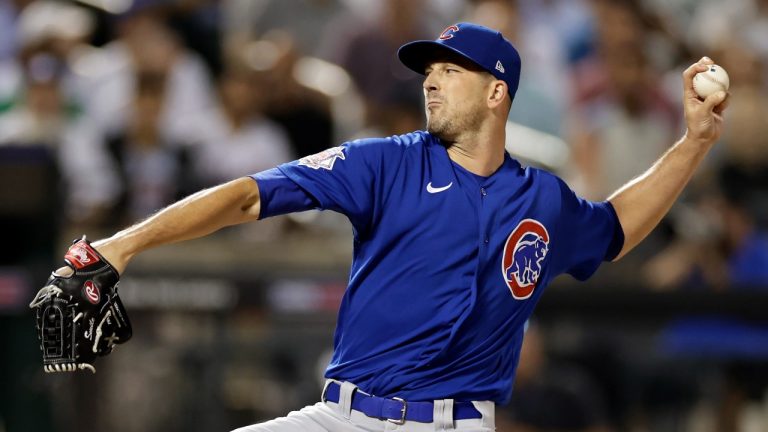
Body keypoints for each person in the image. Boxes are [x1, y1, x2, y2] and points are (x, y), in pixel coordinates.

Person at [78, 22, 727, 431]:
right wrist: (125, 243)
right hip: (341, 416)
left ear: (497, 92)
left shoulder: (540, 200)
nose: (432, 84)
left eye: (451, 71)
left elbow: (614, 229)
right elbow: (248, 197)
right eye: (429, 72)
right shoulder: (384, 163)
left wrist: (694, 141)